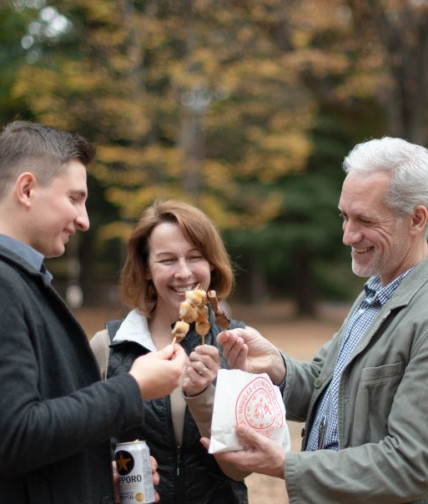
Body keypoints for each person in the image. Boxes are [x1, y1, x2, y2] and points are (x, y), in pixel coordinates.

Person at [202, 136, 428, 504]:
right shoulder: (375, 292)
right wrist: (276, 366)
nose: (347, 235)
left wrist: (287, 467)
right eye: (345, 216)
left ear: (417, 219)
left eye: (365, 220)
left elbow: (411, 464)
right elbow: (332, 388)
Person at [0, 120, 187, 504]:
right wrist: (132, 389)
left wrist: (93, 480)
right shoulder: (4, 285)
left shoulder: (21, 280)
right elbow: (16, 434)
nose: (84, 220)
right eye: (74, 198)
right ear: (27, 189)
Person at [91, 199, 249, 504]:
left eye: (195, 257)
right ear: (146, 268)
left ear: (211, 263)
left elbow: (240, 470)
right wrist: (103, 472)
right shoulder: (107, 347)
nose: (184, 273)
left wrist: (204, 396)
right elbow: (78, 445)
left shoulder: (236, 342)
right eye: (167, 260)